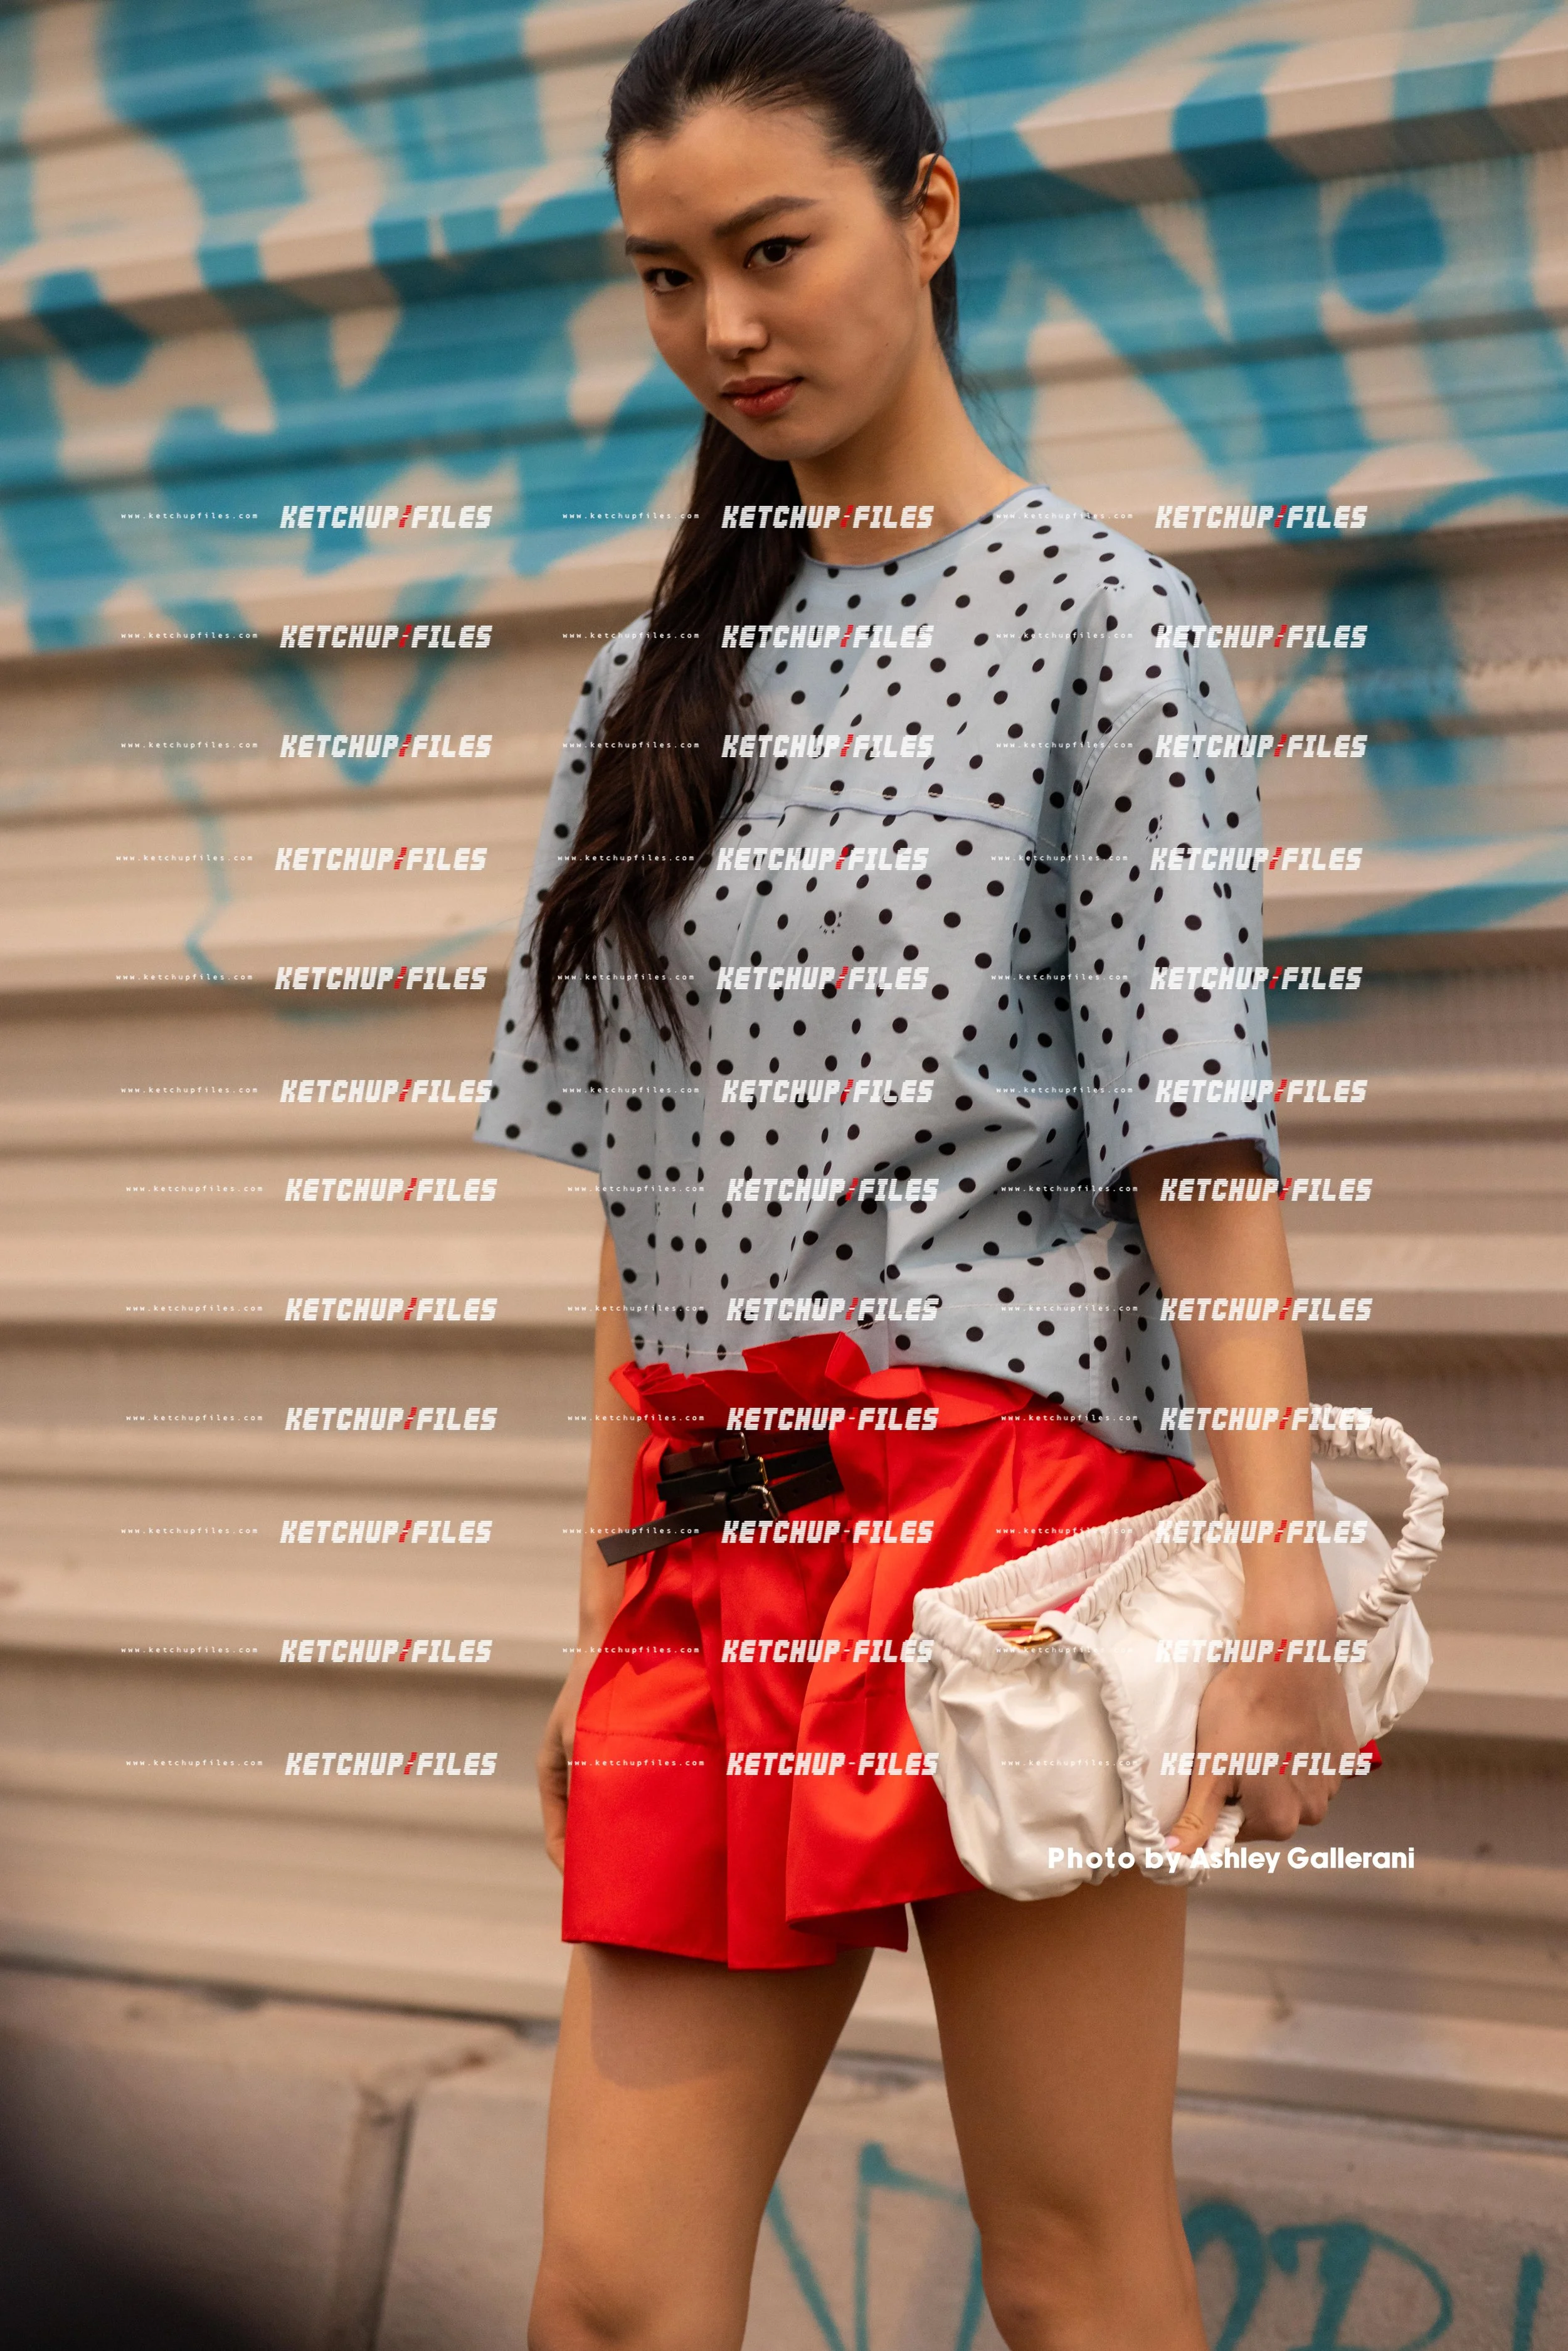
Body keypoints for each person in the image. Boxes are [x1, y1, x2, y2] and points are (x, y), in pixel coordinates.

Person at [478, 3, 1355, 2343]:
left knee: (1070, 2262)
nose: (724, 327)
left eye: (770, 249)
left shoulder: (1102, 620)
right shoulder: (644, 686)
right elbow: (628, 1202)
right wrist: (599, 1620)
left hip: (1010, 1543)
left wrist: (1274, 1596)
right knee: (607, 2294)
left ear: (927, 215)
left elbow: (1198, 1130)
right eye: (665, 275)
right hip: (719, 1528)